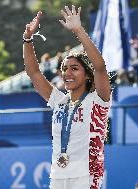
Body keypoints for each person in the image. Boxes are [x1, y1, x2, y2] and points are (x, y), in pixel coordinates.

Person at [23, 5, 111, 189]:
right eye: (64, 69)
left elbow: (100, 67)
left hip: (86, 176)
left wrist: (78, 30)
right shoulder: (59, 101)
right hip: (58, 176)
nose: (67, 73)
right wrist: (28, 39)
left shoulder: (97, 101)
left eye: (74, 68)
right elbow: (33, 72)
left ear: (87, 74)